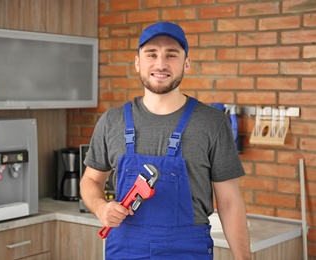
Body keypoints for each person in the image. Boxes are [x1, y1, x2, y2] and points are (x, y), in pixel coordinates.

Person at [80, 21, 251, 259]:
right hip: (126, 248)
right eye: (151, 54)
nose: (160, 64)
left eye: (171, 55)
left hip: (187, 251)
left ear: (186, 63)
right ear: (138, 62)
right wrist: (100, 207)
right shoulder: (112, 121)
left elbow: (230, 202)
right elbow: (90, 180)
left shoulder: (212, 123)